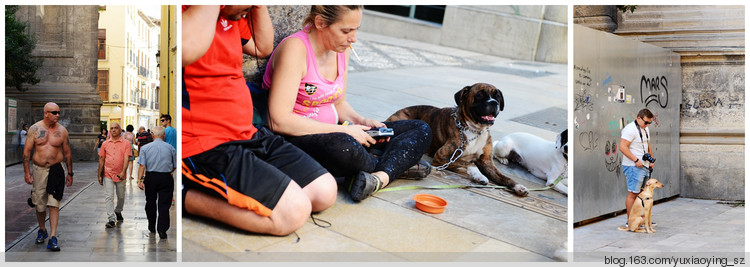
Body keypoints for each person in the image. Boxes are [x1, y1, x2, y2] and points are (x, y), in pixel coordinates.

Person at [182, 5, 337, 236]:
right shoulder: (193, 10)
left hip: (247, 131)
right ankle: (186, 195)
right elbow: (185, 51)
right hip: (205, 143)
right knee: (292, 213)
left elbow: (262, 47)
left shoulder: (233, 13)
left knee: (324, 192)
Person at [262, 5, 432, 201]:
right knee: (344, 147)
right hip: (299, 139)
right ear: (320, 23)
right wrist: (345, 131)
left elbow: (338, 102)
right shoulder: (295, 49)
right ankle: (396, 165)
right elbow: (279, 120)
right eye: (346, 31)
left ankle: (378, 177)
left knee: (421, 128)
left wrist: (361, 121)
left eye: (356, 30)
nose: (353, 39)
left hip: (340, 132)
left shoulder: (341, 49)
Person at [23, 102, 74, 251]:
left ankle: (53, 236)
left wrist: (70, 173)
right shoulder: (34, 129)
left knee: (54, 203)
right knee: (39, 204)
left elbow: (67, 153)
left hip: (56, 169)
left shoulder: (62, 131)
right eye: (54, 112)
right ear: (46, 113)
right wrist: (27, 172)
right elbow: (26, 152)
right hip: (39, 170)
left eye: (58, 112)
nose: (57, 115)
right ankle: (42, 229)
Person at [618, 108, 655, 229]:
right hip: (633, 166)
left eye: (649, 123)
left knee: (641, 194)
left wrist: (651, 159)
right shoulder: (630, 129)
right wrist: (636, 160)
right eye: (646, 122)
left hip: (644, 165)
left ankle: (642, 219)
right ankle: (630, 221)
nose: (647, 124)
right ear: (639, 118)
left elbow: (647, 144)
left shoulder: (645, 128)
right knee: (633, 194)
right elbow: (622, 147)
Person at [136, 126, 176, 239]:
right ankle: (162, 230)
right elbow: (175, 165)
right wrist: (168, 171)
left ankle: (151, 225)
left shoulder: (145, 148)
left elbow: (142, 165)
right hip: (166, 177)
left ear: (152, 135)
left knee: (150, 202)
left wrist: (139, 180)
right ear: (164, 136)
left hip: (151, 177)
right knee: (164, 204)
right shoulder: (171, 148)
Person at [97, 122, 132, 228]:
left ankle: (118, 210)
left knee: (121, 196)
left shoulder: (126, 143)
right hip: (108, 173)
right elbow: (101, 159)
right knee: (109, 196)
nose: (113, 130)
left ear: (120, 130)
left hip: (120, 174)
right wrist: (99, 174)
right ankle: (111, 219)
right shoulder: (105, 144)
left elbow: (126, 158)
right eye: (111, 128)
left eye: (116, 128)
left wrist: (123, 171)